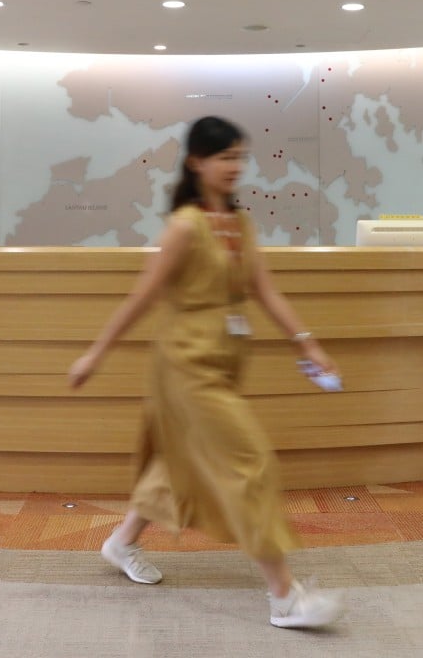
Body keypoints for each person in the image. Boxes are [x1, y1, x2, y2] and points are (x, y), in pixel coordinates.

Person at [68, 116, 345, 629]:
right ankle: (284, 596)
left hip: (226, 359)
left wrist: (308, 343)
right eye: (224, 157)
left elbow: (263, 289)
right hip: (184, 364)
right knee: (247, 462)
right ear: (196, 162)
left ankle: (122, 541)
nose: (235, 167)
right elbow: (142, 297)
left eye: (240, 156)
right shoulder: (185, 226)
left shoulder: (240, 224)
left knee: (182, 461)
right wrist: (95, 354)